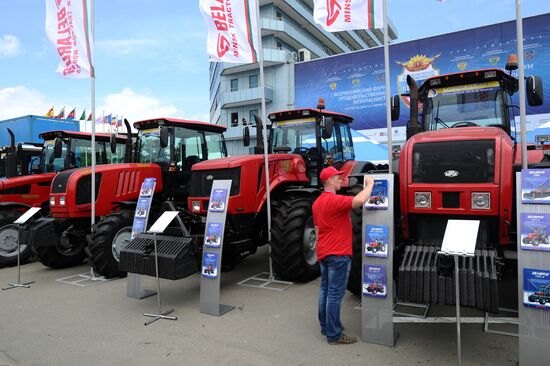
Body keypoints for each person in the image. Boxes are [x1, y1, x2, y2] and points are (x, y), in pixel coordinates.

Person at [312, 166, 374, 344]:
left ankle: (326, 326)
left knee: (325, 290)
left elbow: (317, 229)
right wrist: (369, 185)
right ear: (330, 180)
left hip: (324, 253)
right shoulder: (334, 200)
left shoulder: (317, 203)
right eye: (338, 177)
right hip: (338, 254)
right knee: (334, 294)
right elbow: (358, 201)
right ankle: (334, 334)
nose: (341, 180)